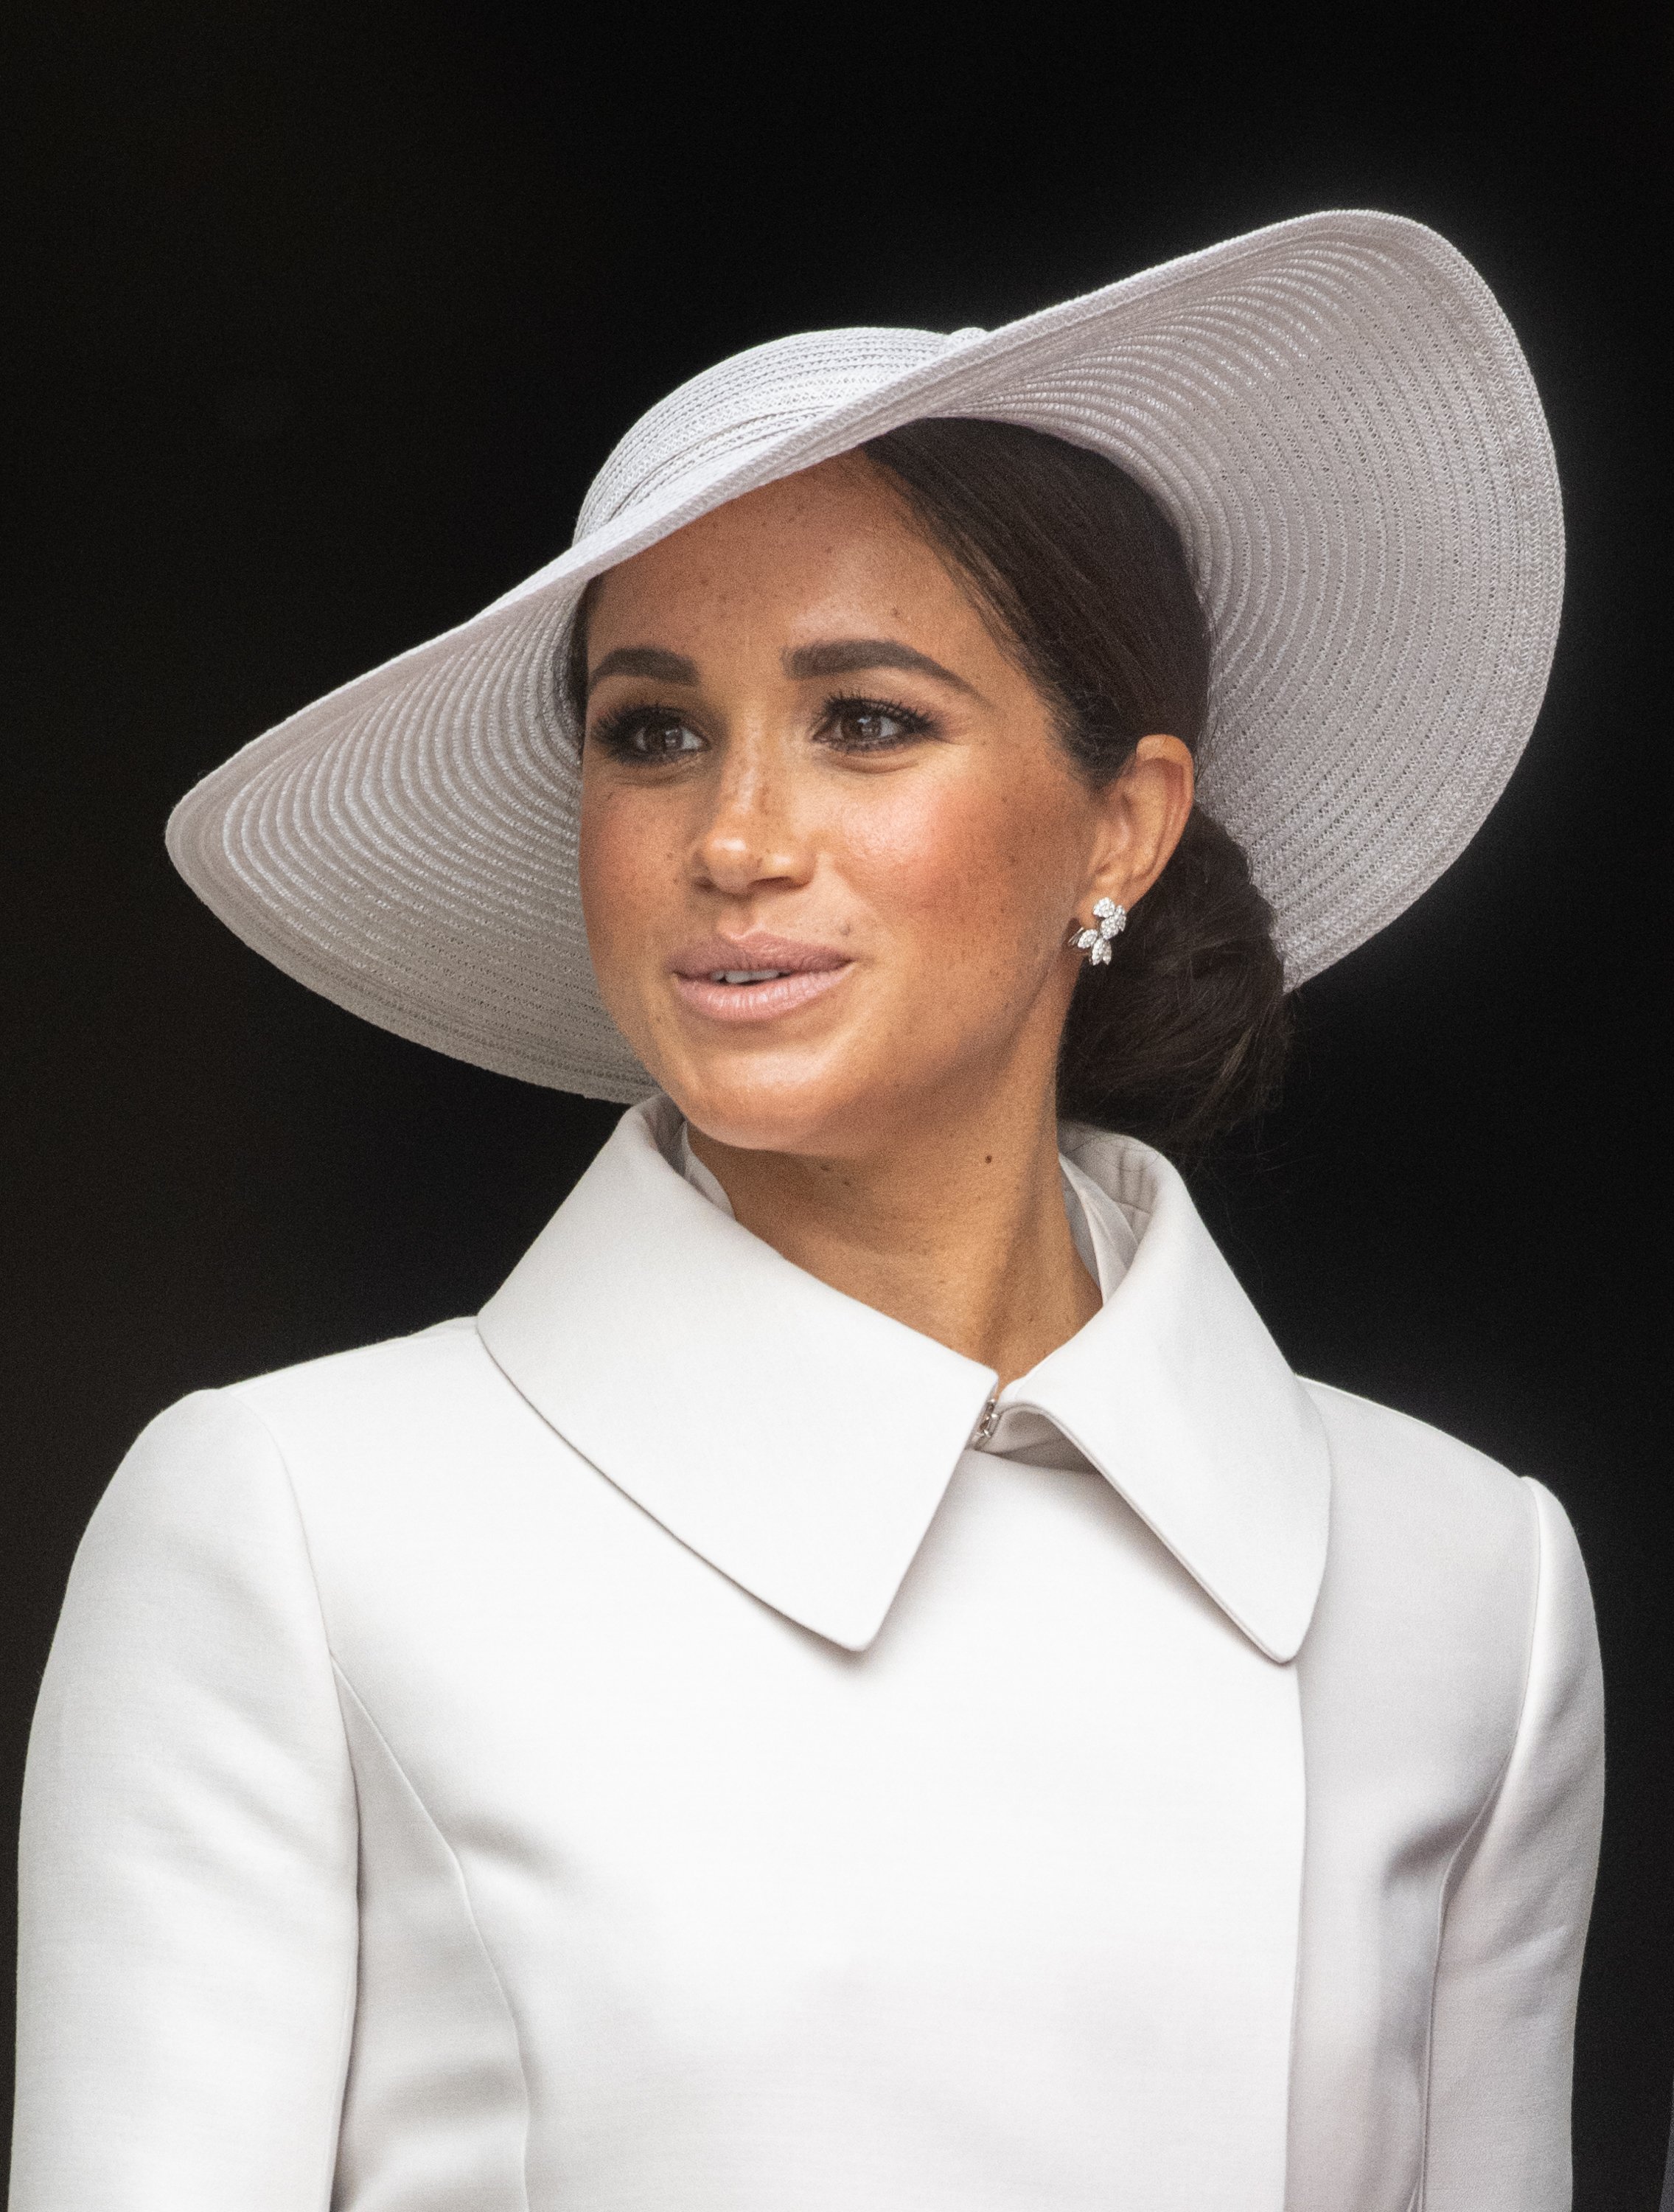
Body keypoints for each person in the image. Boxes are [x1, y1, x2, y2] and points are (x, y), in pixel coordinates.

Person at [10, 210, 1602, 2211]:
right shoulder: (293, 1530)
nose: (737, 839)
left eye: (867, 720)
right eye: (651, 731)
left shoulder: (1470, 1590)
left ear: (1126, 818)